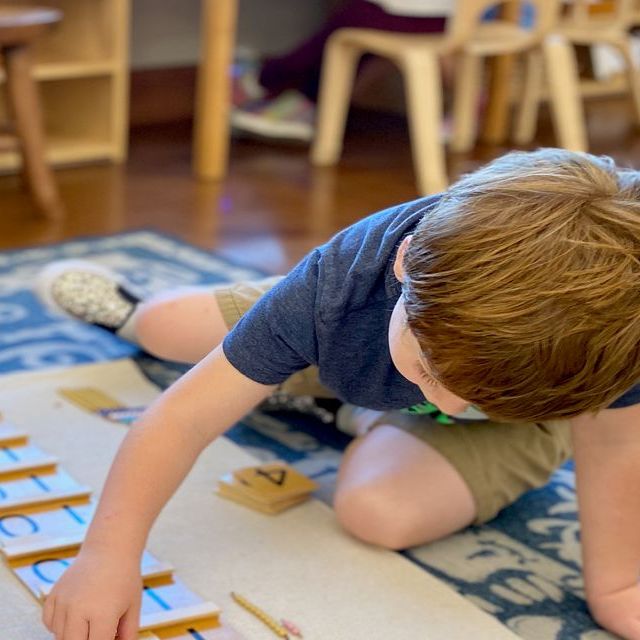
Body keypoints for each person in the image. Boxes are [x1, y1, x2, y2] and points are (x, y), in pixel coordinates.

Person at [36, 148, 640, 640]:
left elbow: (614, 450)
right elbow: (181, 419)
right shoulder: (342, 280)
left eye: (477, 396)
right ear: (405, 263)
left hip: (506, 414)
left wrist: (617, 588)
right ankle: (146, 311)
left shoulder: (615, 333)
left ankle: (342, 400)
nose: (454, 405)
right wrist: (105, 557)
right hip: (344, 331)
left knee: (378, 512)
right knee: (169, 328)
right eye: (432, 373)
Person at [232, 0, 454, 142]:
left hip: (421, 15)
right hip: (457, 18)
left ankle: (265, 80)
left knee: (347, 23)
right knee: (352, 33)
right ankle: (305, 99)